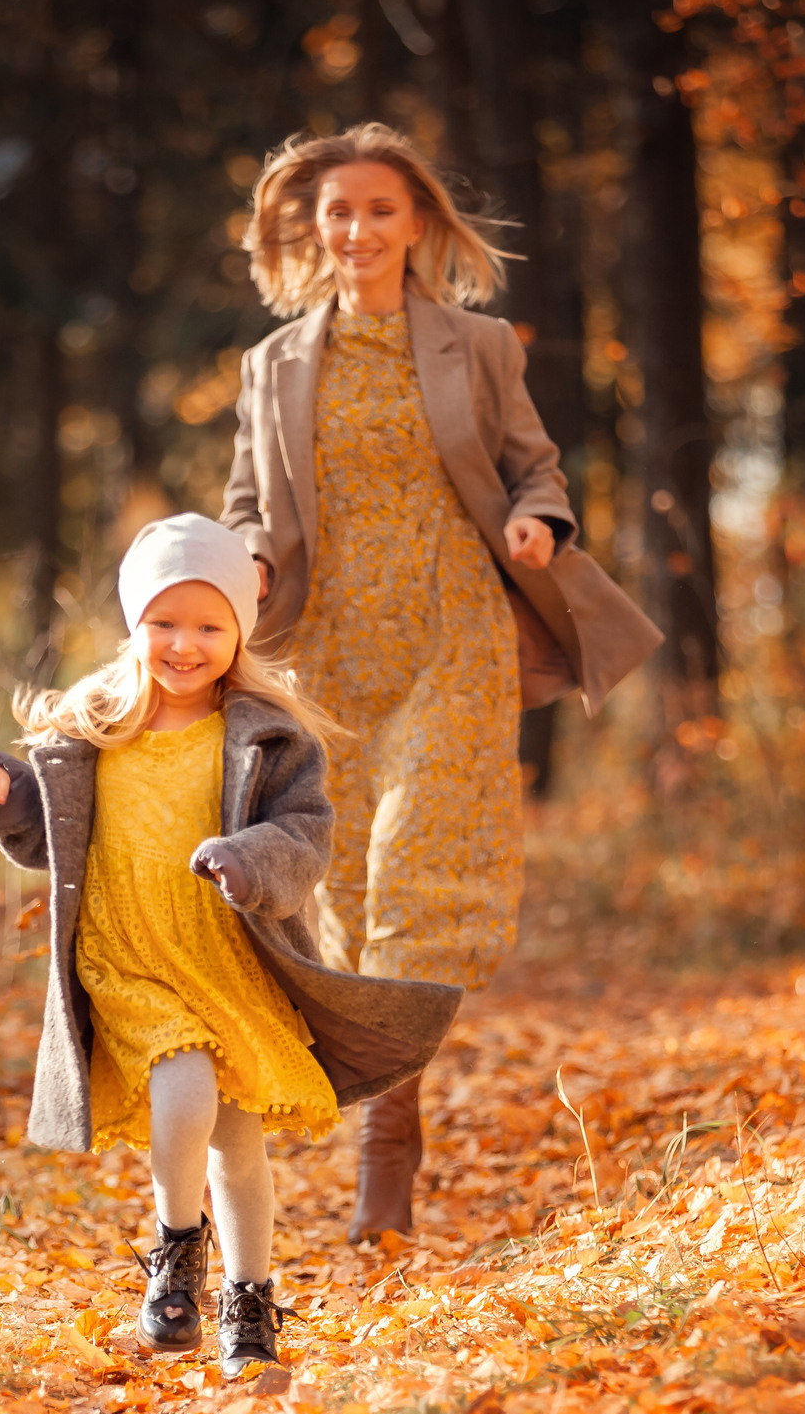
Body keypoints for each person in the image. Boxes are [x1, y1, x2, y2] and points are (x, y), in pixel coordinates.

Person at [221, 123, 662, 1241]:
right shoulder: (272, 365)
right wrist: (252, 560)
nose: (358, 229)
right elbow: (247, 503)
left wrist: (535, 520)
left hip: (453, 634)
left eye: (380, 209)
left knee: (421, 872)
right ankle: (380, 1102)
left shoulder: (478, 344)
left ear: (416, 222)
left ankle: (389, 1147)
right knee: (345, 887)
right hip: (327, 649)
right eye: (339, 211)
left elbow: (534, 466)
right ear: (314, 227)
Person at [0, 514, 459, 1371]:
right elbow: (49, 835)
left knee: (237, 1143)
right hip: (130, 956)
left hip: (228, 959)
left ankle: (249, 1304)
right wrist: (4, 795)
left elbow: (304, 835)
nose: (184, 645)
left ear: (238, 632)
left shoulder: (266, 735)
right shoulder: (92, 728)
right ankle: (176, 1247)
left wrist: (247, 860)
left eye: (208, 626)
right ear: (134, 623)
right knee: (184, 1093)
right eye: (164, 622)